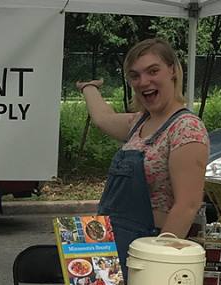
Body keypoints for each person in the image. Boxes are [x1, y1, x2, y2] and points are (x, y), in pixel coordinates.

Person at [76, 38, 209, 270]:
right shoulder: (140, 122)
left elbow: (187, 205)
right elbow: (103, 118)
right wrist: (89, 87)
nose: (143, 81)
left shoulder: (186, 128)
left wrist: (155, 263)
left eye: (153, 71)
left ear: (172, 71)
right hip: (112, 245)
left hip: (150, 248)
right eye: (135, 76)